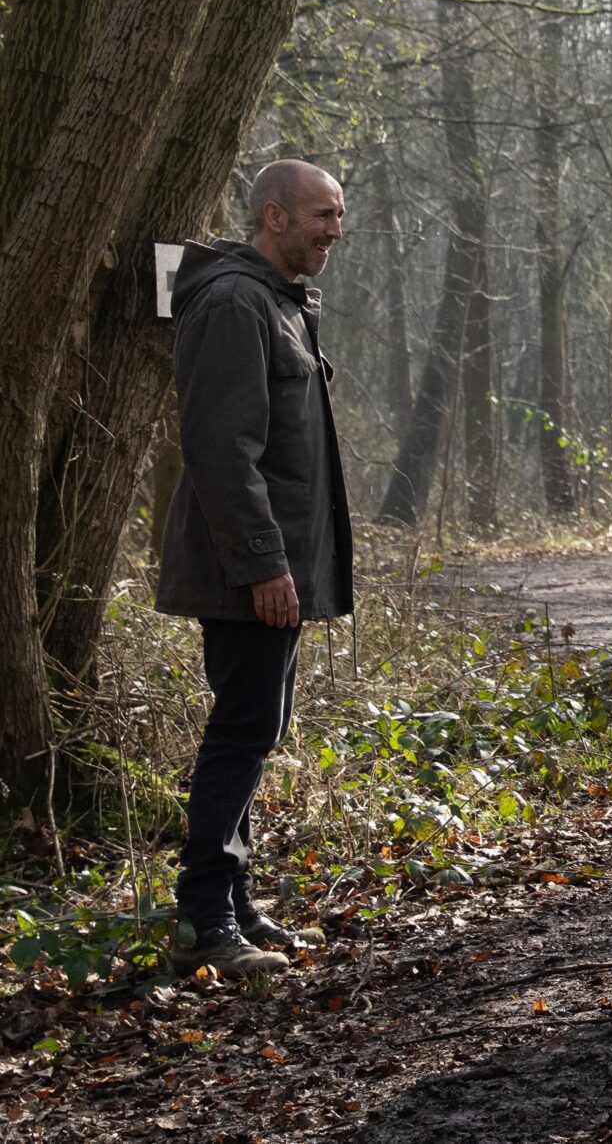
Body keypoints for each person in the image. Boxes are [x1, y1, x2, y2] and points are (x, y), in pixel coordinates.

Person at [156, 160, 350, 977]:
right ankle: (204, 917)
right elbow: (220, 452)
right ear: (273, 215)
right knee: (240, 732)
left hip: (277, 569)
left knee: (256, 729)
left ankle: (231, 901)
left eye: (339, 216)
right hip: (249, 572)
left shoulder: (279, 302)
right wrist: (266, 567)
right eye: (320, 215)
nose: (334, 230)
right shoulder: (235, 302)